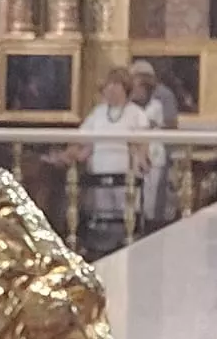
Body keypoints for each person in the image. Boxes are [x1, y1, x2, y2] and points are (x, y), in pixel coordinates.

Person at [64, 68, 153, 245]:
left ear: (125, 88)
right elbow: (84, 141)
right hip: (99, 171)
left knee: (124, 214)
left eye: (116, 85)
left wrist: (143, 160)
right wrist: (72, 154)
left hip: (125, 173)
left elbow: (142, 143)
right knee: (102, 214)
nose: (111, 89)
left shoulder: (136, 114)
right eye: (109, 85)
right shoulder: (98, 113)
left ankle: (126, 241)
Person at [131, 59, 181, 228]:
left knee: (154, 199)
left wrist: (155, 125)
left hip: (157, 153)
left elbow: (172, 124)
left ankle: (153, 225)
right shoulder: (131, 107)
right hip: (135, 155)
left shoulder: (160, 101)